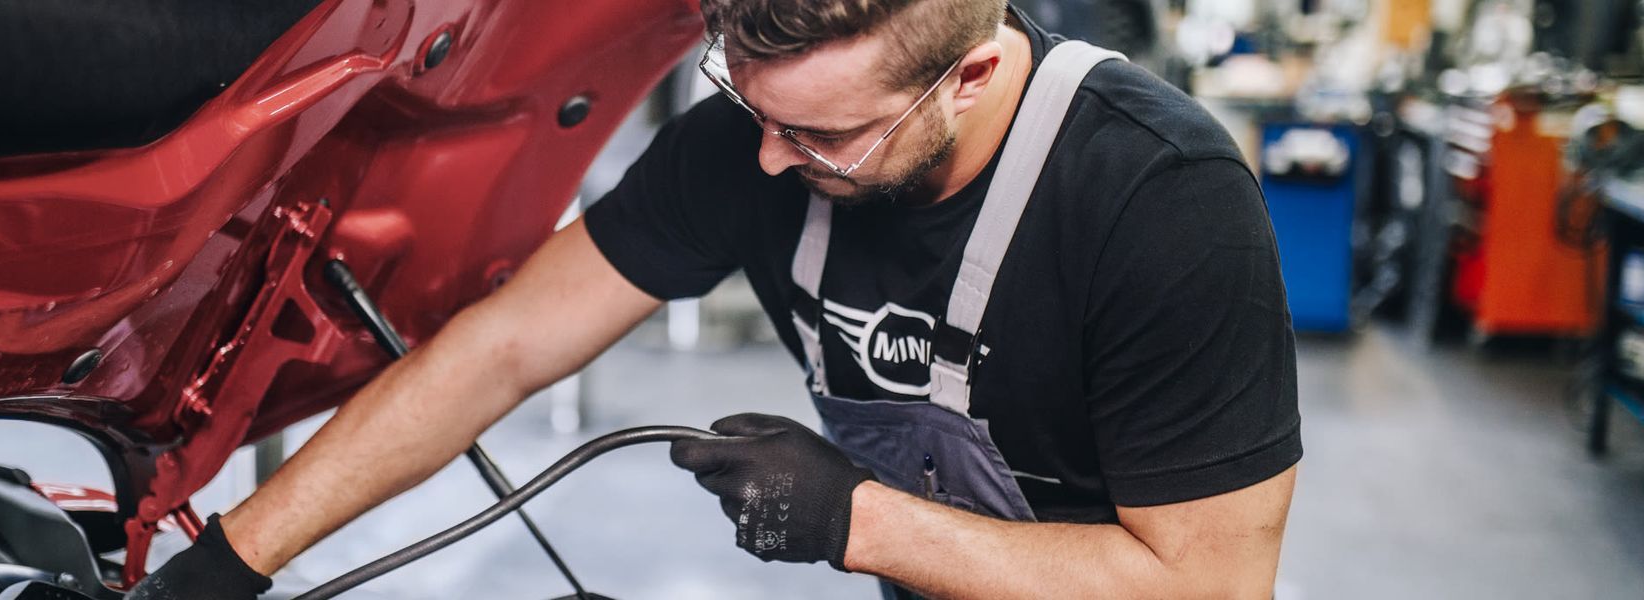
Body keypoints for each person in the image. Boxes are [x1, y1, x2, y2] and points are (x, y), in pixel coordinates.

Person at [129, 0, 1301, 597]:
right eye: (755, 111)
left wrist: (859, 520)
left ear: (974, 73)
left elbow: (1202, 584)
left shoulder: (1160, 198)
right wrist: (233, 560)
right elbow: (500, 351)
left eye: (824, 135)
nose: (773, 164)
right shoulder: (749, 145)